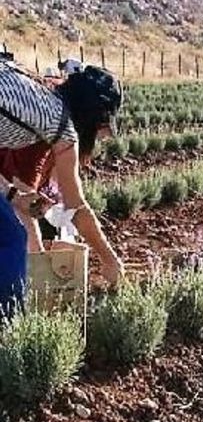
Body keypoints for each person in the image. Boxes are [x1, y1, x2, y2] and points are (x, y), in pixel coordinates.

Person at [0, 59, 125, 316]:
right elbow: (76, 207)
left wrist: (14, 195)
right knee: (11, 240)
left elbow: (18, 190)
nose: (100, 137)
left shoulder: (39, 96)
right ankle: (11, 329)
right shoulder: (60, 126)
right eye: (101, 128)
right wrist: (108, 258)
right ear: (93, 117)